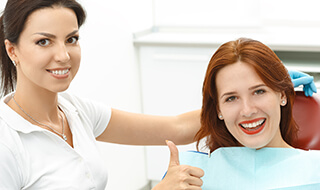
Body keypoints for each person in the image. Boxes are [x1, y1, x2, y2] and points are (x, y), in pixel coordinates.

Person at [0, 0, 316, 189]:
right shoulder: (7, 143)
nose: (63, 56)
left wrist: (265, 88)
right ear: (12, 49)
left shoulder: (75, 111)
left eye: (71, 39)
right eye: (44, 41)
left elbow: (177, 128)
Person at [162, 38, 320, 189]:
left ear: (283, 95)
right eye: (231, 98)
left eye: (259, 91)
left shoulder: (315, 172)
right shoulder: (187, 174)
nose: (248, 110)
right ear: (218, 109)